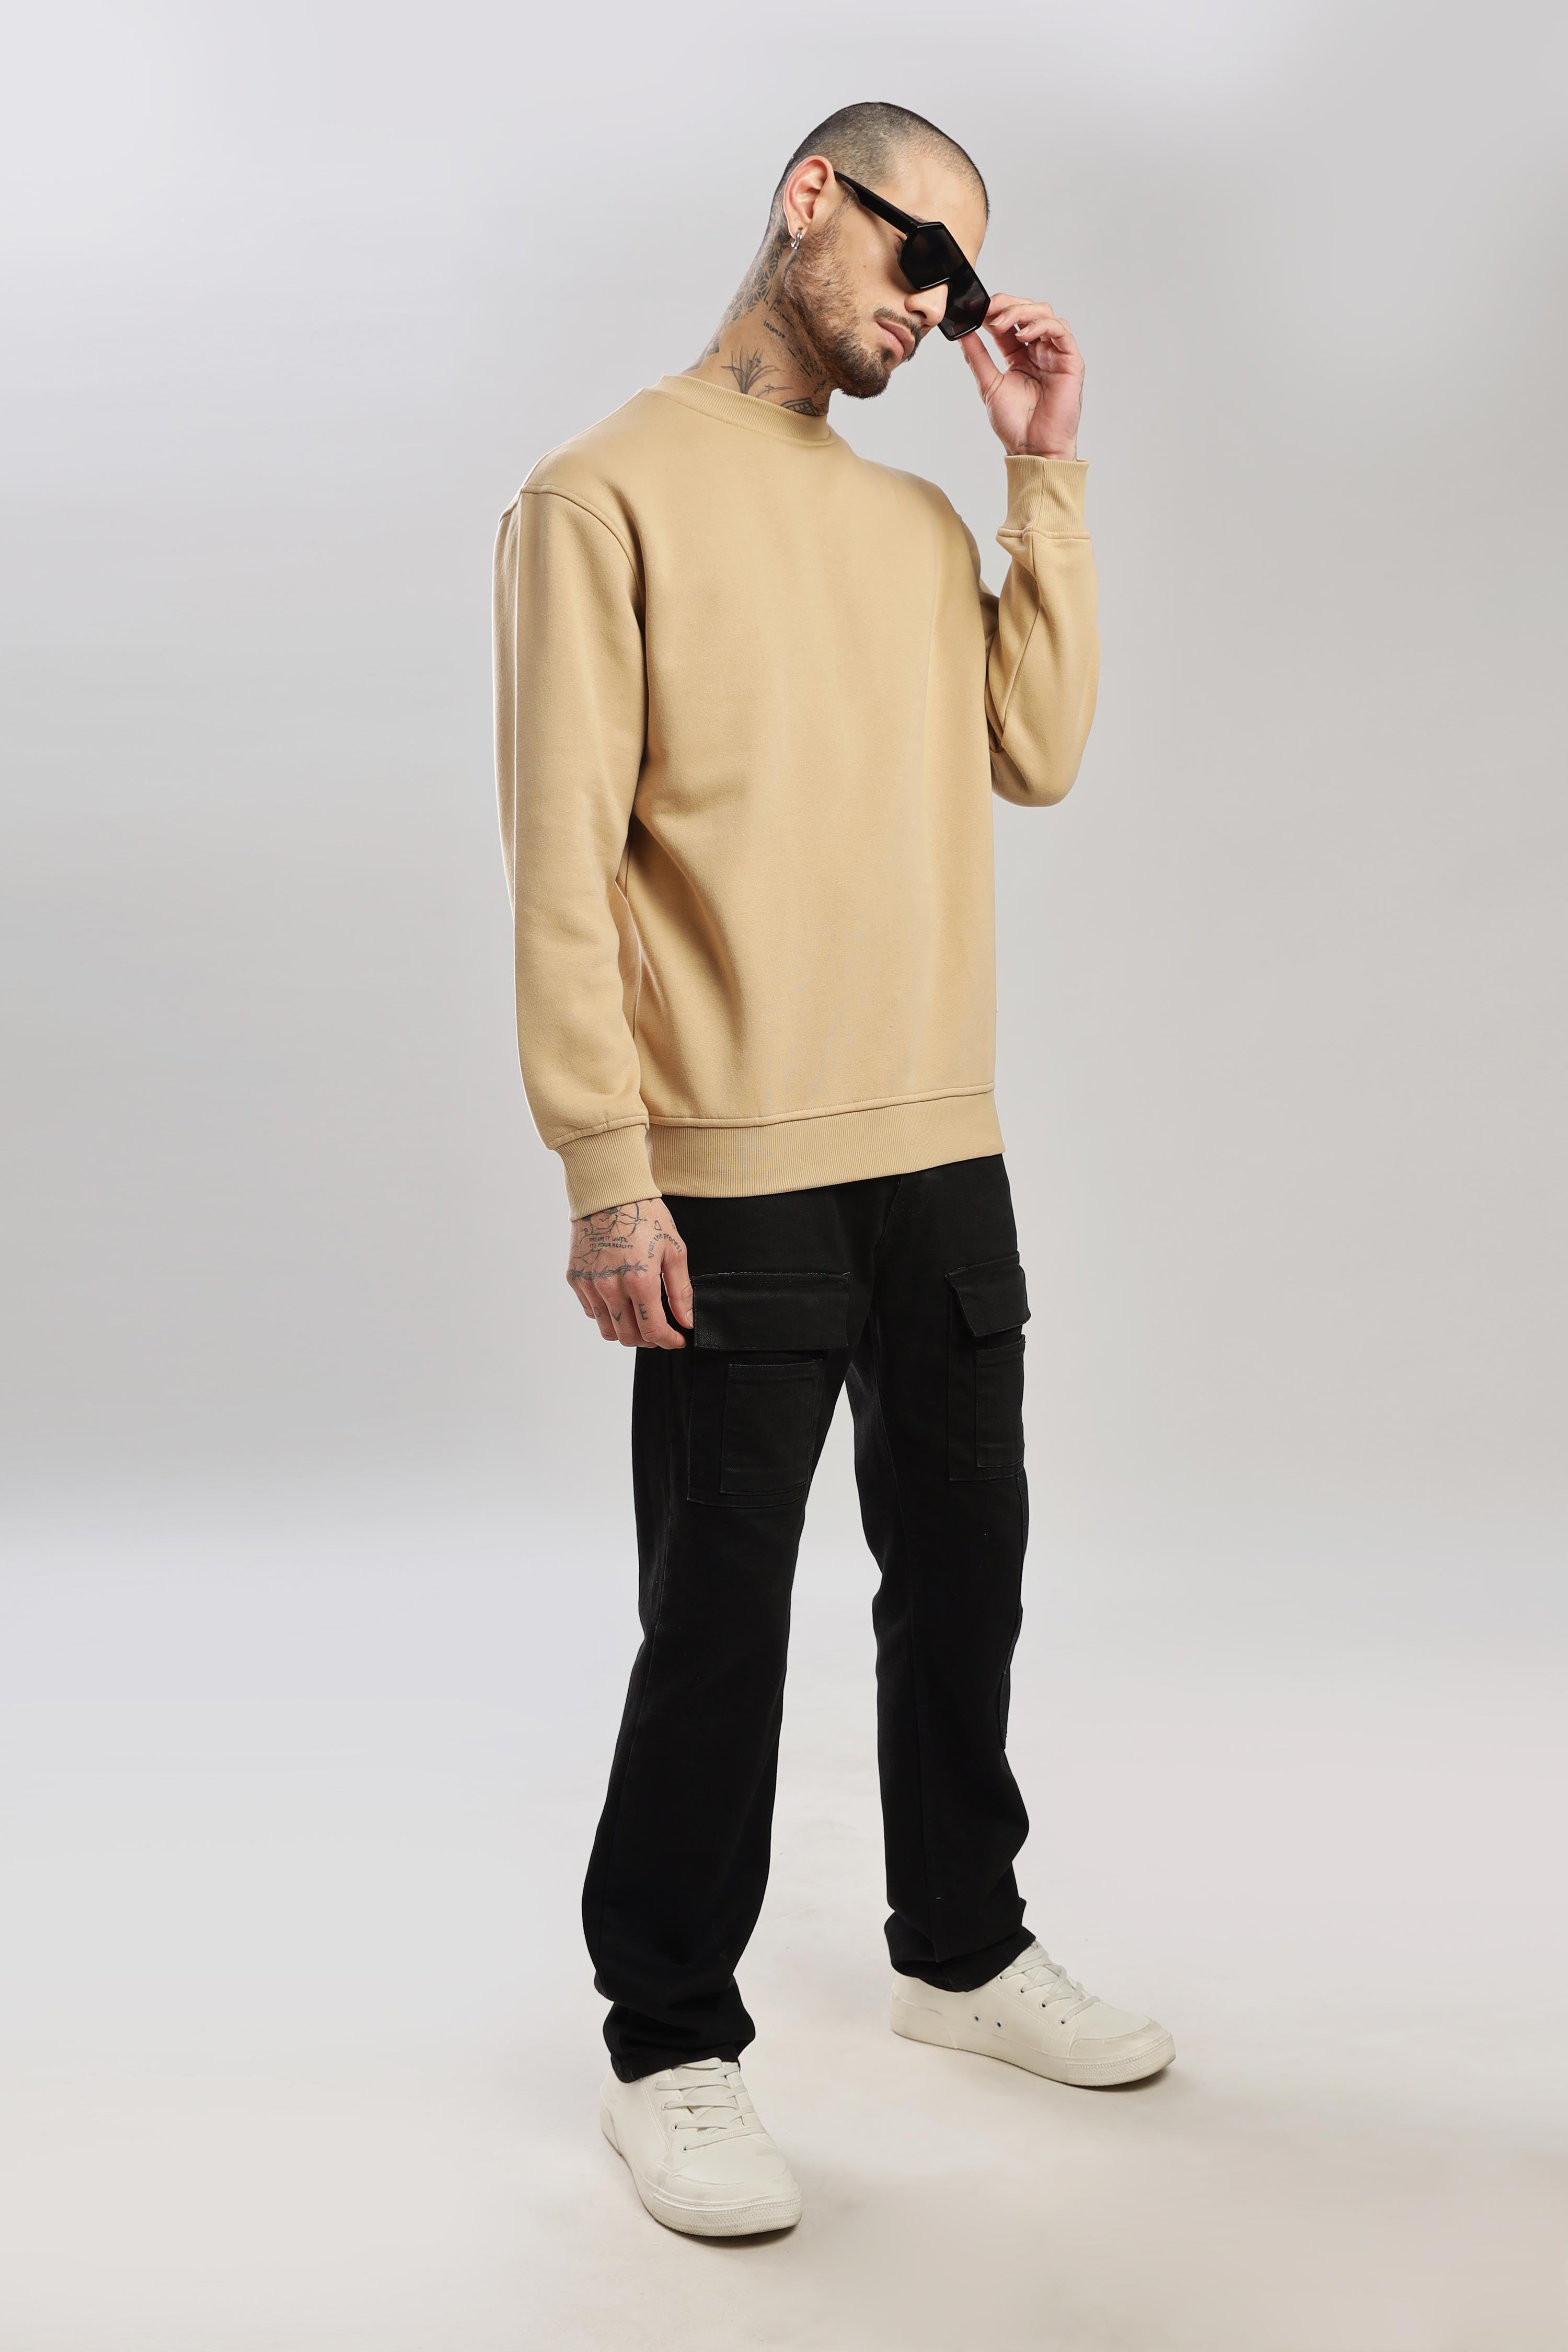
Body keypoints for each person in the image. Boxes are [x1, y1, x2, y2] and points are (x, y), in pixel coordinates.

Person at [493, 99, 1172, 2240]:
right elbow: (563, 862)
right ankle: (669, 2043)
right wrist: (607, 1167)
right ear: (813, 199)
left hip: (940, 1141)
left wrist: (1042, 467)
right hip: (729, 1165)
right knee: (720, 1616)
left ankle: (961, 1944)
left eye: (963, 284)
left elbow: (1039, 749)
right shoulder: (599, 493)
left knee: (968, 1566)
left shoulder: (907, 524)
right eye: (917, 255)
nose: (935, 307)